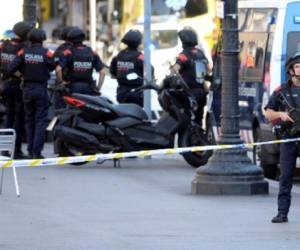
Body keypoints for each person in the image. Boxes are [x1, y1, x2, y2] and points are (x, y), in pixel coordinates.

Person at [8, 28, 55, 159]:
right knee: (40, 121)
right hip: (41, 88)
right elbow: (54, 66)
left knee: (29, 120)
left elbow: (11, 68)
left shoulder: (23, 52)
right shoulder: (47, 53)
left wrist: (22, 76)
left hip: (27, 89)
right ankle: (36, 152)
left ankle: (29, 150)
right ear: (43, 39)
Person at [264, 52, 300, 223]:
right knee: (285, 176)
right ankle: (282, 213)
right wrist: (282, 115)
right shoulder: (282, 91)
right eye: (298, 66)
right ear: (291, 69)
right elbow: (268, 113)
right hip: (289, 138)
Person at [0, 21, 33, 158]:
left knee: (8, 118)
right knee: (18, 119)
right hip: (19, 86)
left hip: (5, 86)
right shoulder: (24, 48)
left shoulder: (3, 46)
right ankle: (17, 151)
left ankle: (5, 150)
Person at [172, 28, 210, 126]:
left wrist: (171, 72)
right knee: (199, 120)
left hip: (189, 94)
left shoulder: (183, 55)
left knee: (186, 120)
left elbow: (175, 70)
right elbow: (208, 69)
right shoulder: (200, 53)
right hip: (202, 93)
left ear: (184, 41)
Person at [56, 27, 105, 95]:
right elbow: (102, 72)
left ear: (71, 40)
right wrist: (98, 88)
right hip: (89, 89)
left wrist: (61, 82)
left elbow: (58, 69)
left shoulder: (68, 52)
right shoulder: (92, 53)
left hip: (73, 88)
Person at [110, 29, 149, 107]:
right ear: (138, 42)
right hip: (137, 94)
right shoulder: (140, 57)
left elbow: (113, 74)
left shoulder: (119, 56)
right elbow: (149, 74)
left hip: (121, 94)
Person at [53, 26, 74, 109]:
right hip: (74, 85)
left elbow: (54, 66)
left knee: (60, 112)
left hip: (61, 86)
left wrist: (61, 81)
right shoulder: (76, 49)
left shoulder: (59, 49)